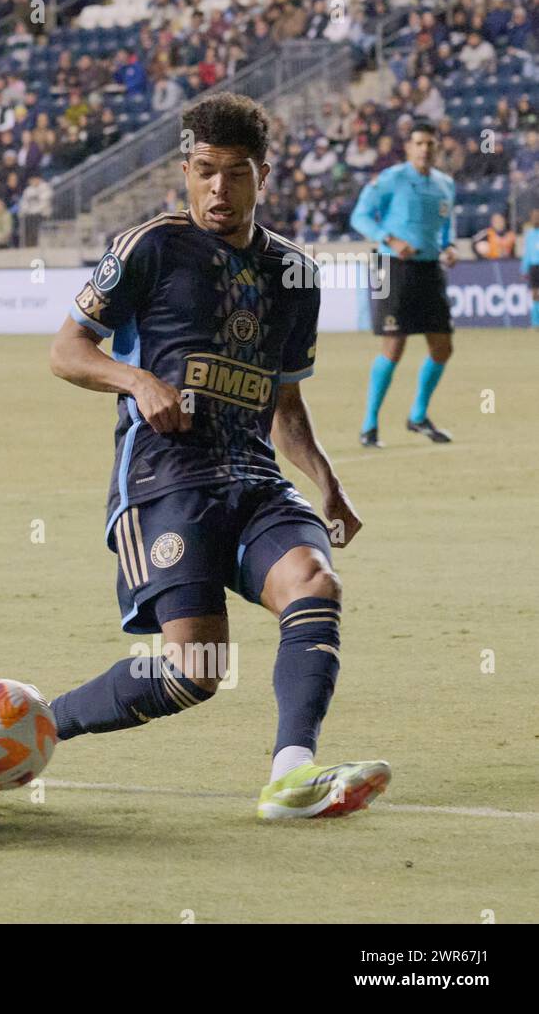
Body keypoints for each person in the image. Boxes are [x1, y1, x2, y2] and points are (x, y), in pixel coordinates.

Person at [45, 92, 388, 821]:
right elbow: (66, 350)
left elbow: (284, 403)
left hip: (255, 478)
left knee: (314, 584)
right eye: (204, 171)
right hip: (165, 479)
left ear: (263, 174)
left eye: (236, 173)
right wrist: (136, 380)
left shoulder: (294, 273)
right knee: (194, 672)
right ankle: (44, 724)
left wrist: (327, 481)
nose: (218, 190)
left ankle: (292, 775)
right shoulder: (151, 246)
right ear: (185, 168)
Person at [349, 122, 458, 447]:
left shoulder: (445, 184)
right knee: (394, 346)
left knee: (442, 346)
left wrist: (449, 246)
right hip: (392, 266)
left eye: (430, 143)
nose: (425, 149)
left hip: (428, 268)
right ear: (408, 148)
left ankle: (418, 416)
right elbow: (360, 216)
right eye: (419, 143)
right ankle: (369, 426)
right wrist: (390, 239)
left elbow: (445, 225)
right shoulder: (391, 178)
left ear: (437, 148)